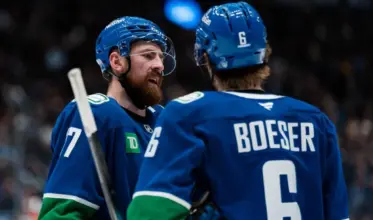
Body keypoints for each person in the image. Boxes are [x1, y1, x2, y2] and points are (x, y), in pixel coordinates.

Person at [127, 2, 349, 220]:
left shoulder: (189, 113)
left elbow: (147, 213)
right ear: (265, 53)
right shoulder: (316, 121)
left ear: (205, 58)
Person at [38, 16, 176, 219]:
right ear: (117, 61)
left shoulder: (164, 121)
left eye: (160, 57)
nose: (159, 65)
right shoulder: (95, 113)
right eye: (148, 55)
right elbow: (62, 212)